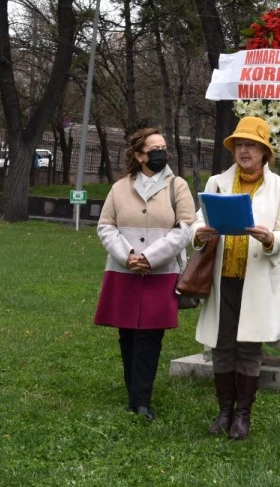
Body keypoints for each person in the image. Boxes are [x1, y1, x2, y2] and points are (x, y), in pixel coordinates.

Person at [191, 116, 280, 440]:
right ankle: (224, 412)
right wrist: (200, 233)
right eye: (239, 144)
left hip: (256, 281)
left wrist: (268, 239)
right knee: (222, 346)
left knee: (250, 347)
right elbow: (195, 224)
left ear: (265, 152)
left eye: (251, 144)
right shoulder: (217, 183)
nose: (244, 150)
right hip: (222, 279)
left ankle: (243, 416)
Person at [93, 127, 195, 421]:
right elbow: (106, 226)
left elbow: (185, 229)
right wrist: (127, 256)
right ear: (139, 156)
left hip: (160, 273)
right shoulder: (120, 188)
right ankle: (133, 393)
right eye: (154, 150)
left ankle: (141, 401)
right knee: (127, 335)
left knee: (150, 336)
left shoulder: (178, 187)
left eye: (164, 148)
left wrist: (150, 258)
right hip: (123, 271)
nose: (161, 154)